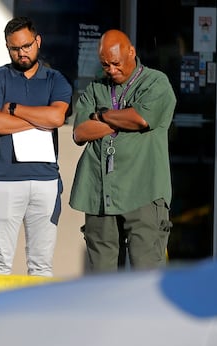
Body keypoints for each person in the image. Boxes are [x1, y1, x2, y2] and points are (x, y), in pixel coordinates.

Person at [69, 29, 176, 272]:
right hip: (100, 192)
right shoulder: (97, 88)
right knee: (102, 281)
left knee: (145, 276)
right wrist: (118, 121)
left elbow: (140, 118)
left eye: (116, 63)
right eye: (105, 64)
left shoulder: (155, 82)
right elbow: (80, 132)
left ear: (131, 52)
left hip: (143, 190)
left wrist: (102, 116)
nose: (111, 69)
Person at [0, 16, 72, 277]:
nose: (22, 53)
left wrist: (14, 109)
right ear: (7, 47)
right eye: (15, 48)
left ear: (38, 41)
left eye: (27, 46)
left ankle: (38, 319)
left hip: (45, 181)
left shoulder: (55, 80)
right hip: (4, 178)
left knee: (41, 265)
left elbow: (57, 118)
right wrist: (39, 120)